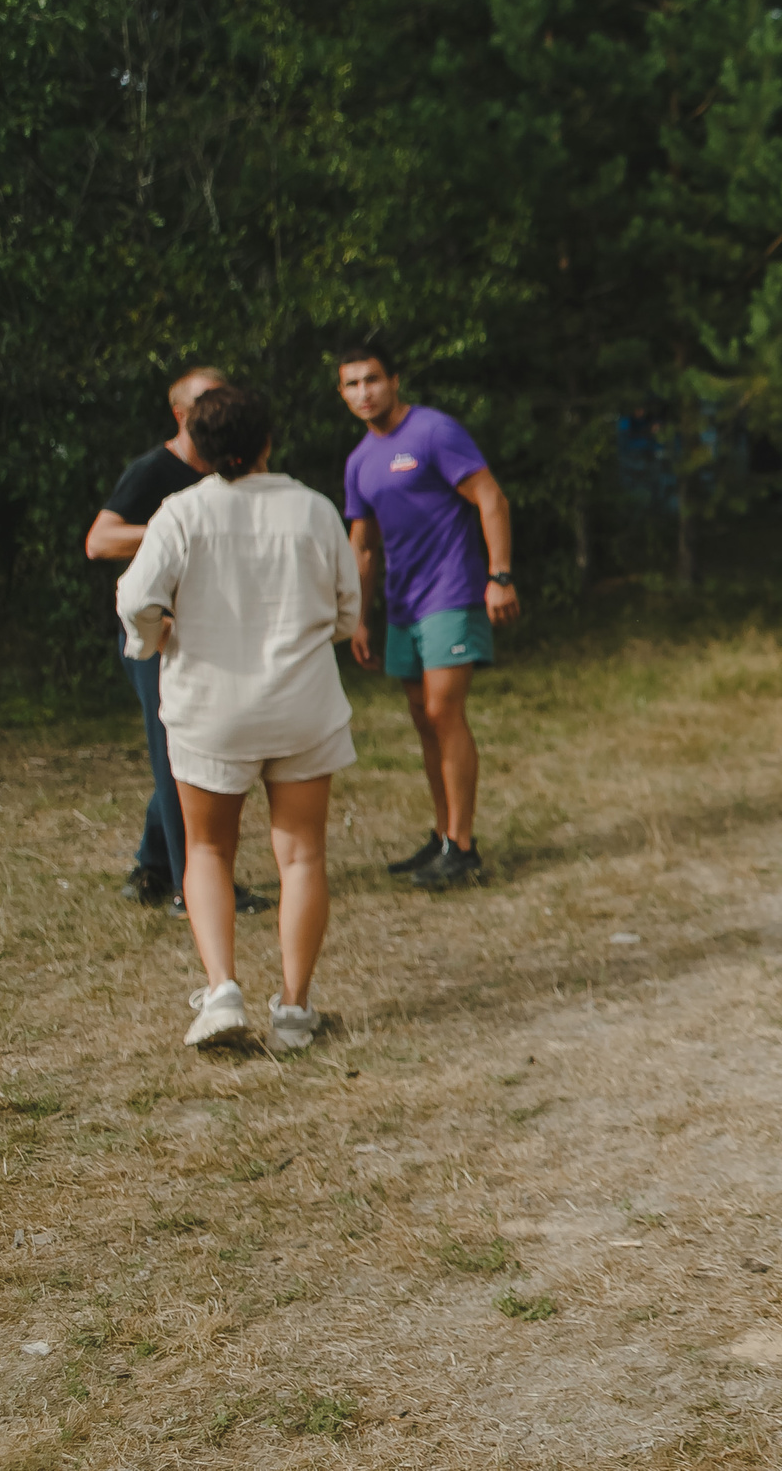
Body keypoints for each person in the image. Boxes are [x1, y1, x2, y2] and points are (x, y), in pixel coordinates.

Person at [116, 385, 359, 1051]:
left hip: (209, 705)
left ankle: (222, 988)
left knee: (208, 851)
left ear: (195, 442)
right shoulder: (312, 508)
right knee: (303, 853)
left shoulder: (180, 511)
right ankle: (295, 1008)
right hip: (301, 703)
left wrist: (154, 635)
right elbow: (347, 609)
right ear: (267, 441)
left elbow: (135, 596)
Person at [83, 367, 266, 918]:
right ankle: (197, 886)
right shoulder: (154, 471)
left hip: (212, 630)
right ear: (180, 414)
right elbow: (100, 540)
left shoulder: (234, 469)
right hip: (158, 634)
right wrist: (175, 530)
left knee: (191, 750)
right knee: (180, 754)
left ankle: (155, 865)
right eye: (205, 400)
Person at [336, 345, 519, 888]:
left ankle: (463, 849)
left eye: (372, 379)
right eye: (351, 384)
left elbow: (491, 498)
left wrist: (500, 575)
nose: (364, 392)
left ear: (394, 380)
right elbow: (363, 545)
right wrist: (358, 617)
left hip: (453, 591)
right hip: (403, 603)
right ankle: (443, 836)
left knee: (444, 712)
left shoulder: (435, 432)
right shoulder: (358, 462)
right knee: (422, 719)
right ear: (342, 394)